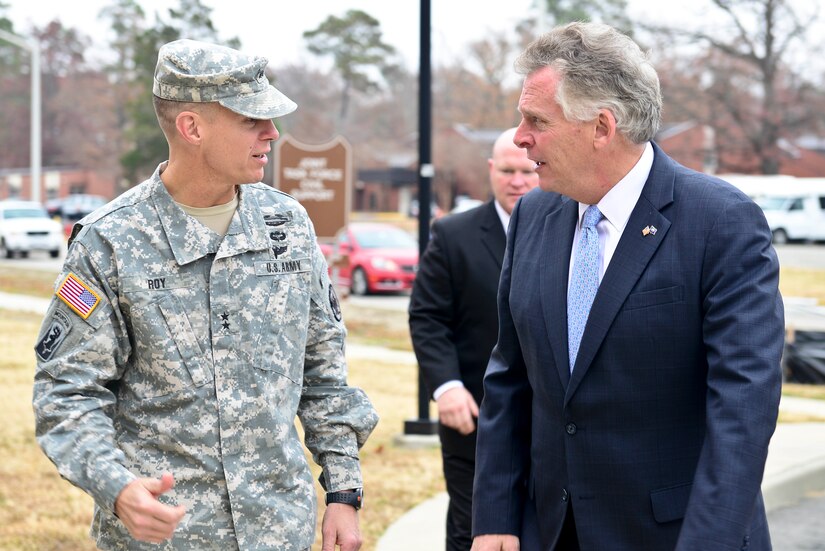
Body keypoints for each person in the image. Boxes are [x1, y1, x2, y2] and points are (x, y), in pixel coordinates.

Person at [32, 38, 378, 551]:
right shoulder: (111, 242)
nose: (272, 133)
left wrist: (343, 495)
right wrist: (119, 489)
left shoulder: (288, 225)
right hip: (165, 537)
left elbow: (323, 373)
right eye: (250, 120)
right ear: (192, 128)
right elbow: (66, 393)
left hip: (278, 531)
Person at [471, 22, 784, 551]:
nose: (520, 136)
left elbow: (742, 406)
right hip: (550, 531)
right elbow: (510, 376)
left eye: (536, 121)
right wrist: (495, 515)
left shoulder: (721, 222)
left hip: (677, 534)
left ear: (601, 126)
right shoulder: (533, 215)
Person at [409, 127, 539, 550]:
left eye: (525, 170)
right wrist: (445, 387)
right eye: (506, 171)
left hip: (549, 420)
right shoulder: (452, 235)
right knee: (473, 532)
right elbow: (428, 317)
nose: (517, 181)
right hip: (474, 419)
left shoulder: (569, 227)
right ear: (490, 170)